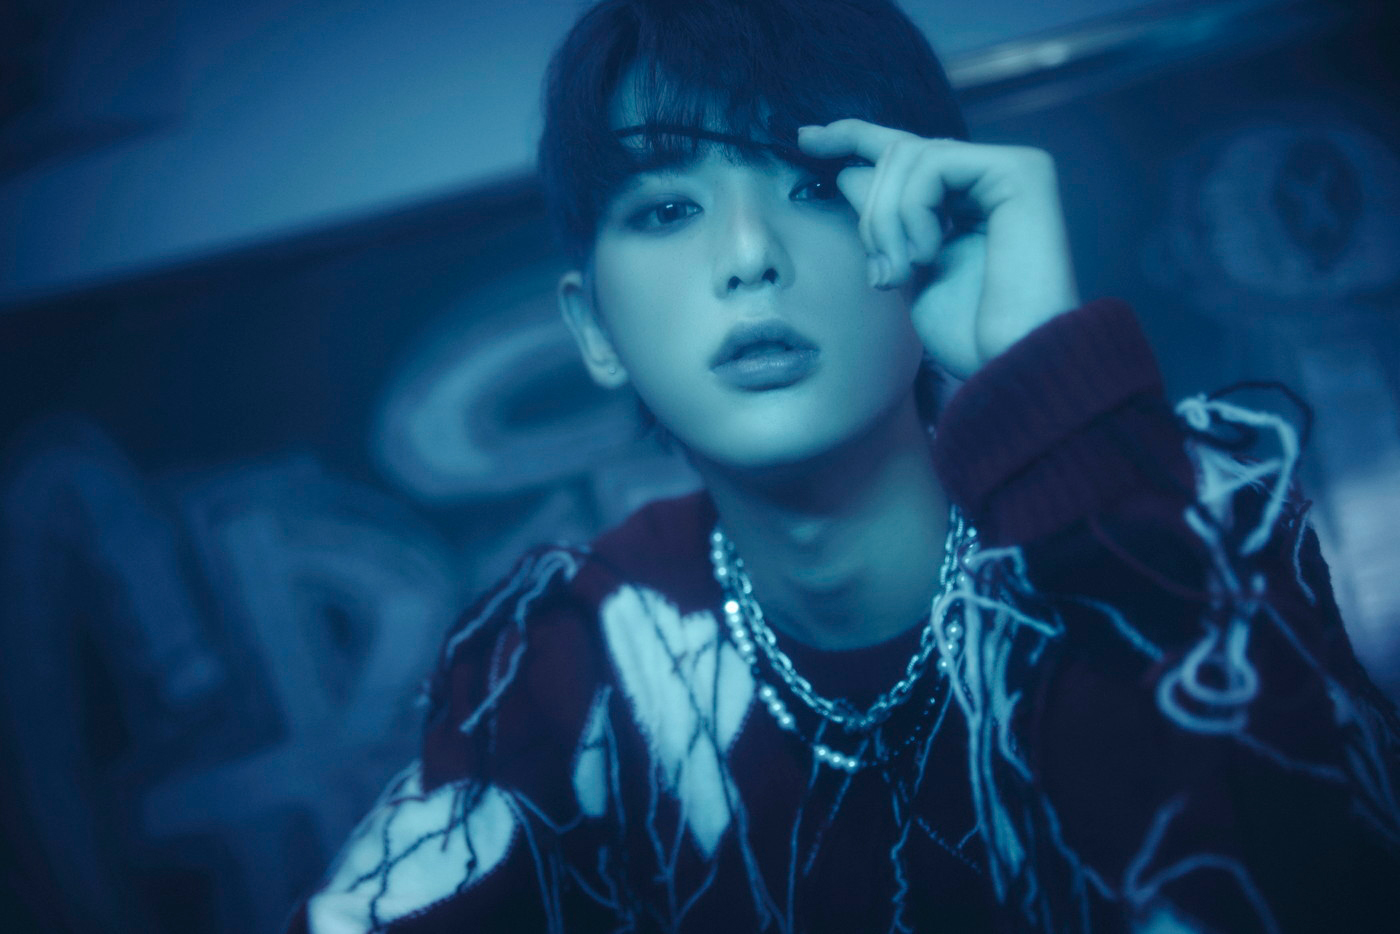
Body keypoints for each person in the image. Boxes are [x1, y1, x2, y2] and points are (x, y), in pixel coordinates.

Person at [286, 0, 1400, 931]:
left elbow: (1330, 877)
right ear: (592, 330)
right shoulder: (574, 658)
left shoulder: (1177, 508)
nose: (748, 256)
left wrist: (1045, 395)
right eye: (667, 207)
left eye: (817, 185)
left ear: (933, 224)